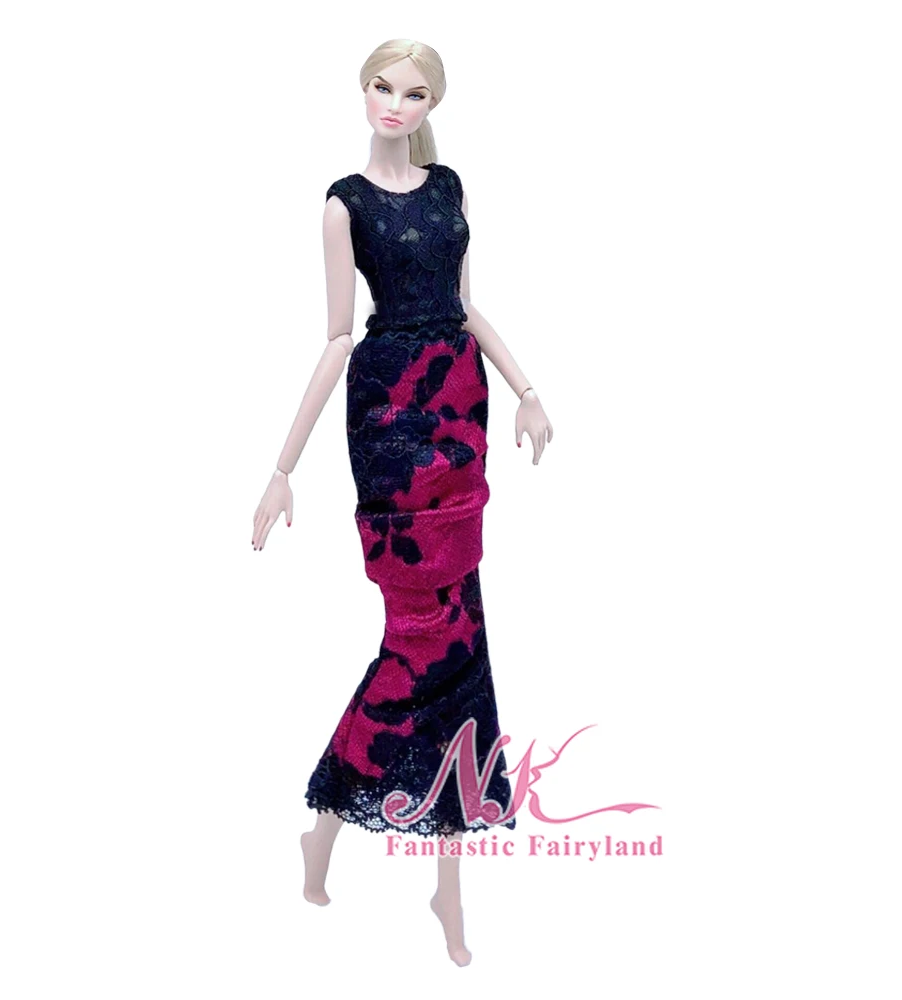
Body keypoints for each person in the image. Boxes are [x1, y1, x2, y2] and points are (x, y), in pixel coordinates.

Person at [251, 38, 554, 967]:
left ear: (432, 105)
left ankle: (441, 886)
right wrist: (283, 467)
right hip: (389, 417)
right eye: (382, 86)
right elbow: (336, 338)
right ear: (363, 90)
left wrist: (527, 388)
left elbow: (465, 306)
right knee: (418, 638)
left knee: (463, 637)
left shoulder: (450, 187)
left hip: (459, 406)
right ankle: (327, 827)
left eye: (414, 93)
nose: (395, 103)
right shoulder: (343, 204)